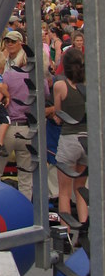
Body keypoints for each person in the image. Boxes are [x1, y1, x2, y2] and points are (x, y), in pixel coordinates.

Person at [0, 33, 33, 199]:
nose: (10, 44)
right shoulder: (34, 77)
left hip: (6, 129)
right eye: (8, 41)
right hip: (27, 130)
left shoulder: (7, 76)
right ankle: (27, 214)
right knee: (26, 177)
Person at [51, 47, 88, 230]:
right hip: (87, 140)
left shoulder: (60, 86)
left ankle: (64, 234)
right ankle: (84, 228)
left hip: (69, 138)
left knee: (64, 192)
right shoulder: (89, 85)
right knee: (80, 189)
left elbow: (58, 114)